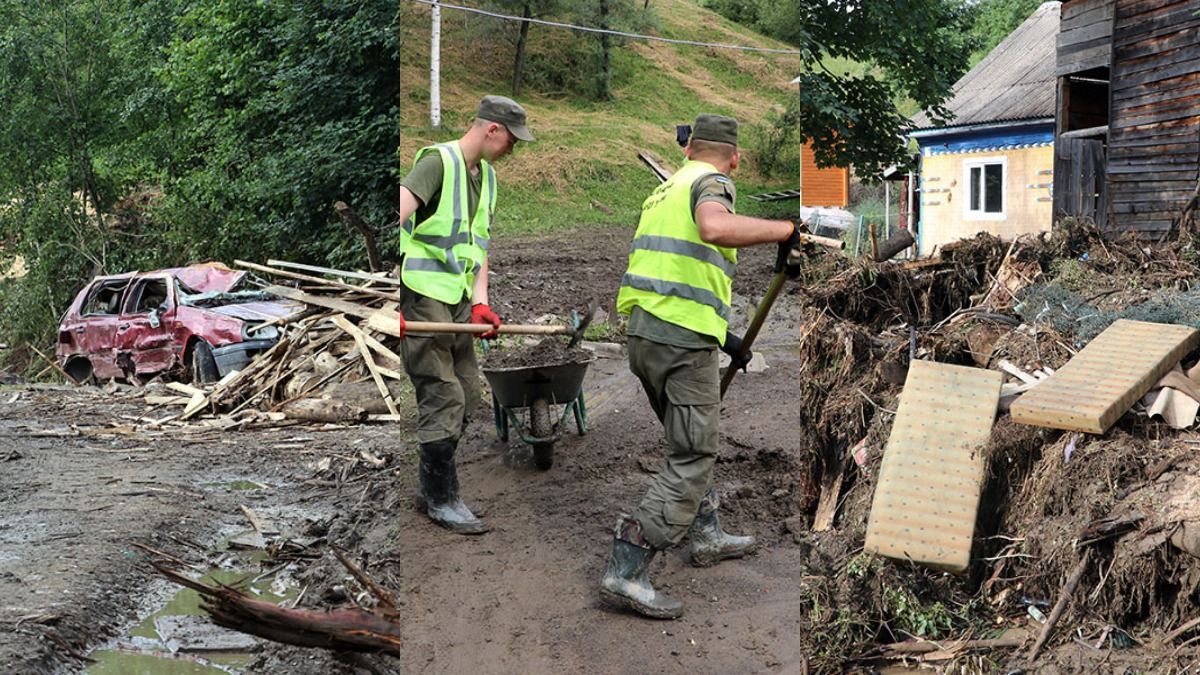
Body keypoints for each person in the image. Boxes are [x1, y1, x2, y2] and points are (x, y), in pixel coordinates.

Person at [599, 113, 806, 618]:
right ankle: (626, 569)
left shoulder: (665, 190)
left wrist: (727, 339)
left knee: (685, 437)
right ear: (735, 158)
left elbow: (672, 271)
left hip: (648, 336)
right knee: (692, 454)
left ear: (688, 148)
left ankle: (706, 532)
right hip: (681, 345)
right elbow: (714, 227)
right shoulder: (713, 183)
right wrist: (786, 229)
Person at [397, 95, 534, 535]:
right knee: (443, 394)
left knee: (469, 392)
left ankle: (431, 486)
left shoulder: (487, 178)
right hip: (422, 295)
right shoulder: (437, 163)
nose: (513, 149)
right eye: (511, 140)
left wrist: (480, 302)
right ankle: (441, 498)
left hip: (456, 297)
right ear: (492, 129)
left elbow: (479, 245)